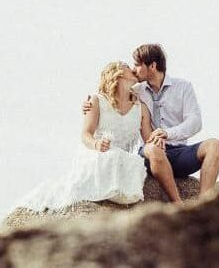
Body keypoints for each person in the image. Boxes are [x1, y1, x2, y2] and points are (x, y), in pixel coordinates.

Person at [84, 44, 219, 203]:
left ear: (152, 66)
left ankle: (204, 204)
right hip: (151, 153)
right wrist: (88, 104)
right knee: (153, 149)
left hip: (179, 152)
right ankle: (177, 203)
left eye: (137, 64)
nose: (134, 69)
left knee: (215, 145)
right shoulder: (137, 90)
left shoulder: (183, 87)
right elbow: (111, 92)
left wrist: (167, 133)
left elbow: (195, 121)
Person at [17, 62, 161, 211]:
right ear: (116, 74)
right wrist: (96, 144)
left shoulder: (140, 107)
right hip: (99, 154)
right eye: (126, 65)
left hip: (124, 158)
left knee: (131, 162)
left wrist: (159, 139)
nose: (132, 68)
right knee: (111, 157)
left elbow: (148, 139)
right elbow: (86, 134)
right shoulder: (96, 100)